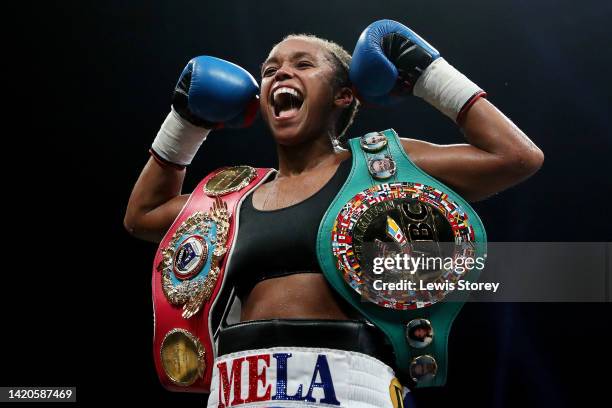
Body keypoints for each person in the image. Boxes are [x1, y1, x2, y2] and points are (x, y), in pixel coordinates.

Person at [125, 20, 543, 408]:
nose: (280, 74)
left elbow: (515, 157)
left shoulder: (385, 166)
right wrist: (186, 121)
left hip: (350, 384)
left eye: (303, 64)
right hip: (238, 386)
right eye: (270, 70)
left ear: (344, 95)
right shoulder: (233, 194)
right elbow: (143, 215)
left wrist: (428, 74)